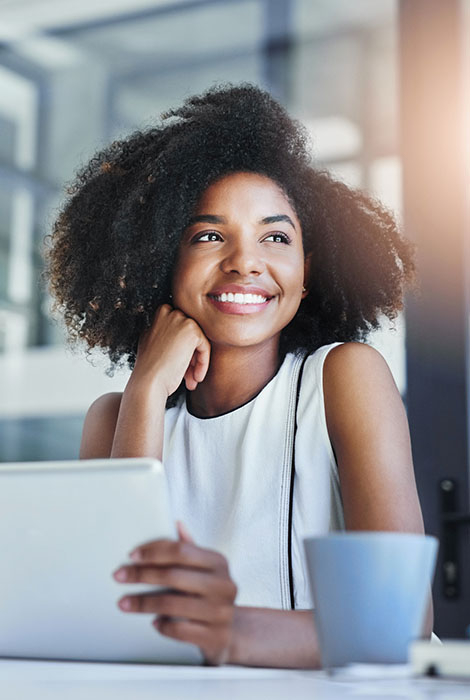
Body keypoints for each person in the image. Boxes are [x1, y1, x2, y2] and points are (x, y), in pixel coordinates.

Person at [45, 83, 431, 668]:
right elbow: (115, 619)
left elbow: (398, 618)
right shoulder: (116, 417)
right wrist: (146, 392)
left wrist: (229, 632)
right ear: (161, 262)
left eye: (276, 237)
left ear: (306, 271)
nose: (246, 261)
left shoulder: (343, 379)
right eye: (208, 235)